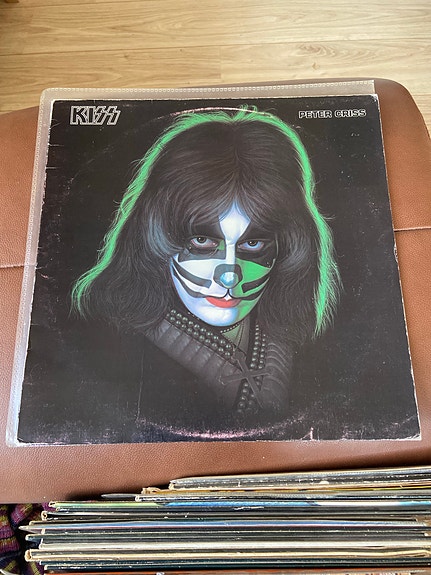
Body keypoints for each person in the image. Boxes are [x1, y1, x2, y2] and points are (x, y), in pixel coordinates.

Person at [71, 107, 340, 434]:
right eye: (202, 241)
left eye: (253, 243)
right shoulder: (106, 350)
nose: (229, 276)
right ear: (156, 237)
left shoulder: (308, 342)